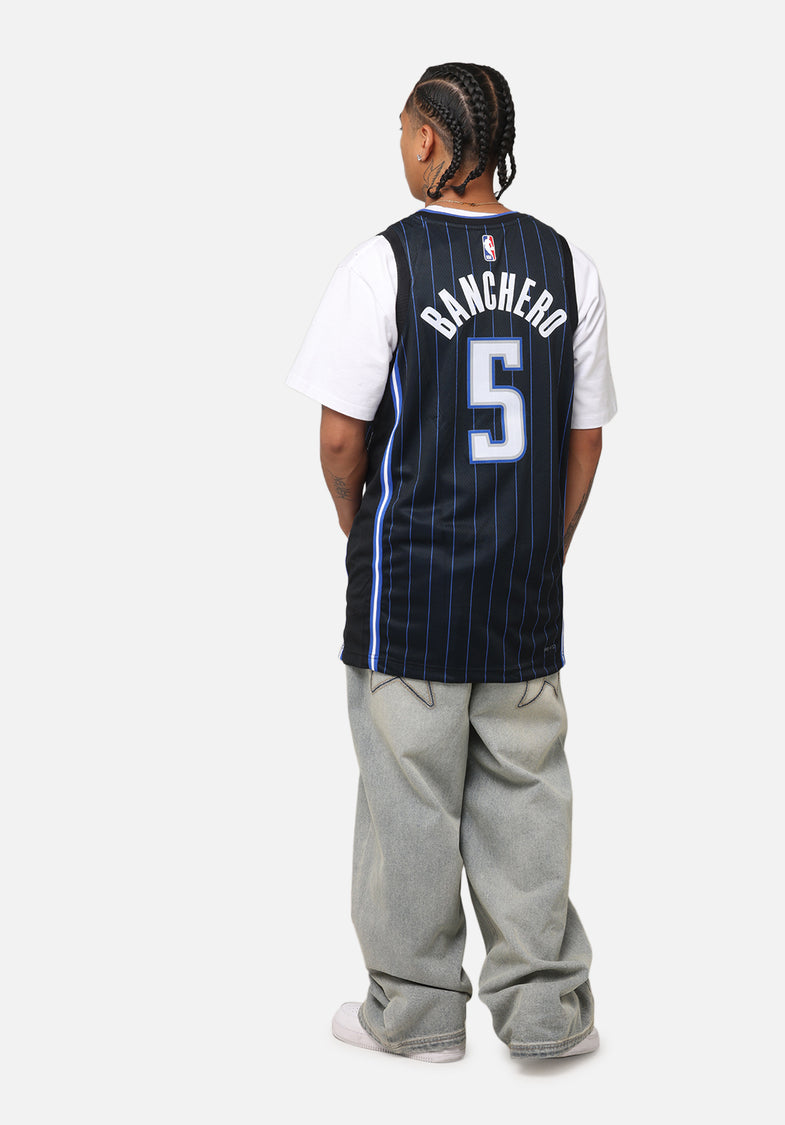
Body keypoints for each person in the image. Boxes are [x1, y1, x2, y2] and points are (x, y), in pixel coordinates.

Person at [285, 62, 617, 1062]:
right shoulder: (569, 266)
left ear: (429, 139)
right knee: (528, 797)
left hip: (412, 591)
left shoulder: (383, 265)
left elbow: (340, 439)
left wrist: (357, 527)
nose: (399, 145)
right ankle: (548, 1015)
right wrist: (545, 547)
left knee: (409, 805)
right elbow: (585, 439)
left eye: (401, 129)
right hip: (520, 592)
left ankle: (419, 1014)